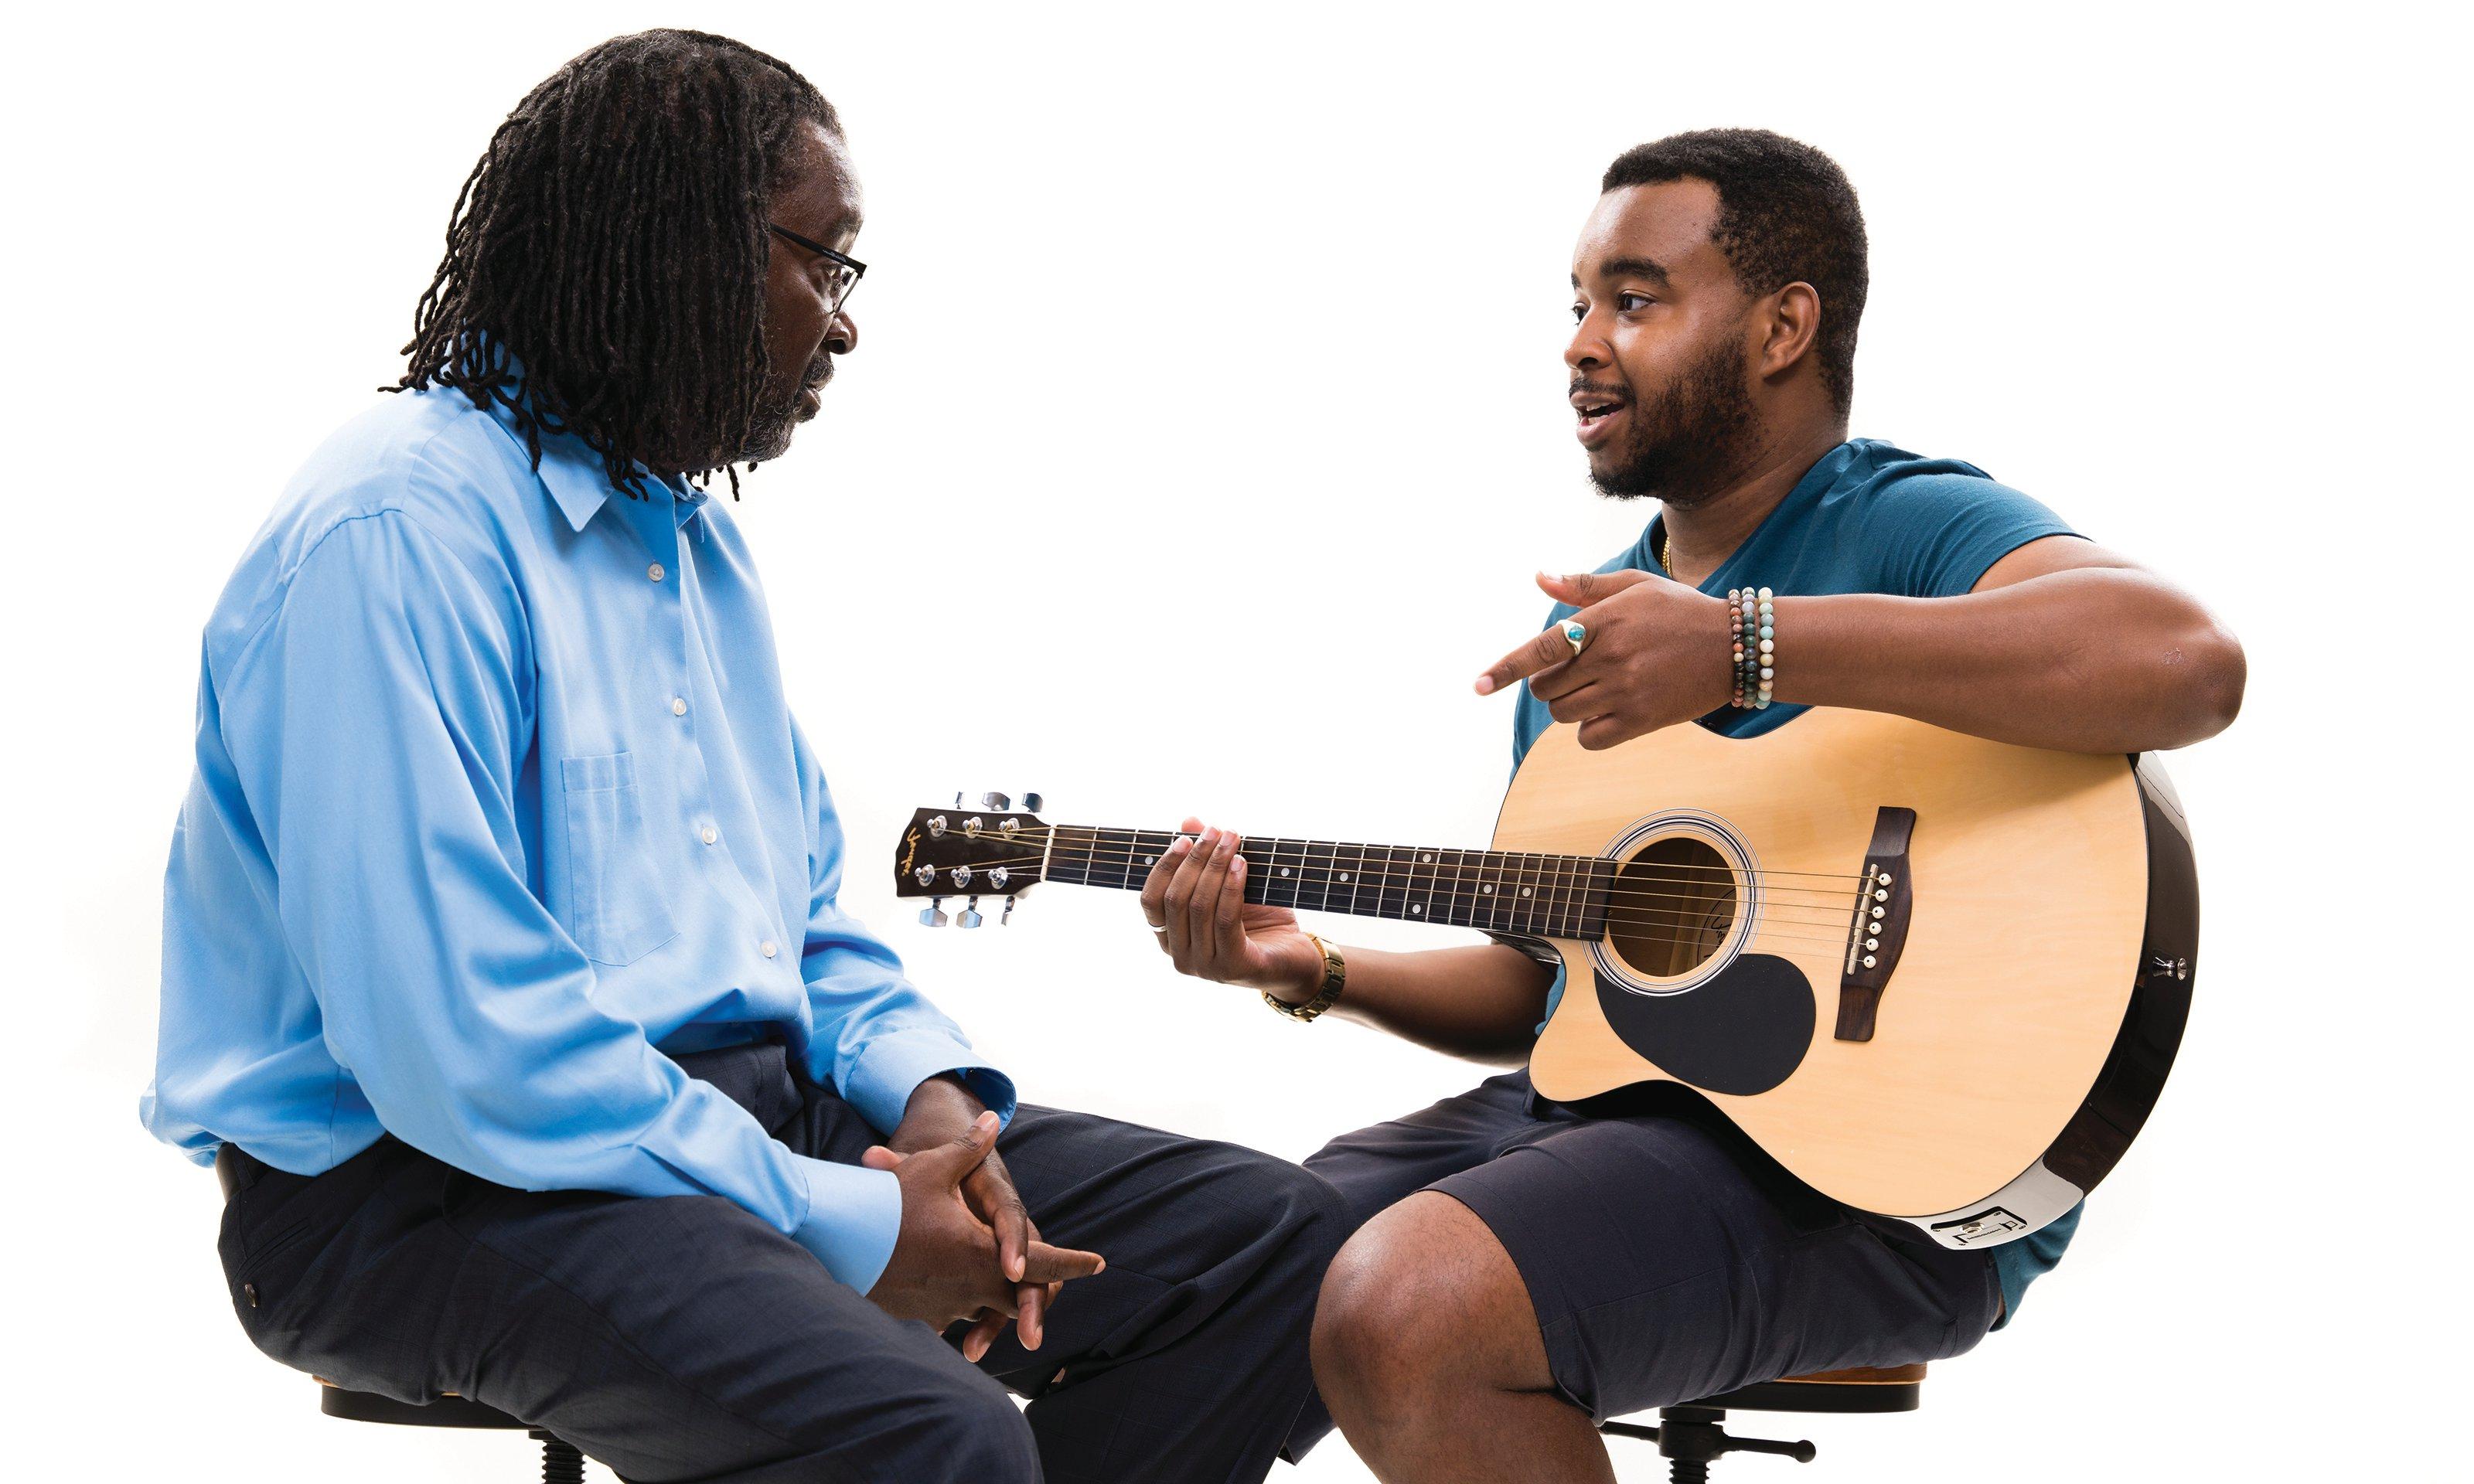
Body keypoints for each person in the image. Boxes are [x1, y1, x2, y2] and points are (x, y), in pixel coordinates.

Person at [141, 30, 1344, 1484]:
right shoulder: (395, 532)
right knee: (935, 1442)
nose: (843, 326)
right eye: (825, 265)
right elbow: (459, 1047)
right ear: (682, 247)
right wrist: (851, 1223)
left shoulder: (690, 546)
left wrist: (934, 1108)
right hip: (416, 1186)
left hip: (731, 1115)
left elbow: (807, 918)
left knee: (1279, 1253)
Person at [1136, 128, 2245, 1483]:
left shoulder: (1901, 521)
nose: (1582, 343)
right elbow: (1549, 994)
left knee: (1408, 1299)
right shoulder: (1585, 645)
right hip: (1610, 1120)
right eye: (1579, 304)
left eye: (1636, 298)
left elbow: (2187, 664)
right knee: (1224, 1272)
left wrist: (1742, 647)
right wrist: (1316, 968)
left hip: (1880, 1177)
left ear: (1784, 327)